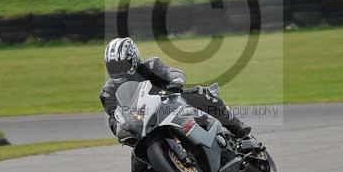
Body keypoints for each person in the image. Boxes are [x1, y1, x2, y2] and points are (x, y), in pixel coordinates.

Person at [100, 37, 251, 139]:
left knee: (202, 94)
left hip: (171, 103)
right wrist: (121, 127)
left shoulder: (151, 65)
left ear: (132, 59)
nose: (117, 70)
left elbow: (172, 72)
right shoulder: (108, 91)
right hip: (142, 122)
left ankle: (236, 126)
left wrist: (176, 82)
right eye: (112, 66)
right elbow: (114, 117)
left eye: (120, 65)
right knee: (138, 167)